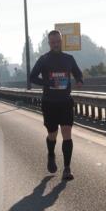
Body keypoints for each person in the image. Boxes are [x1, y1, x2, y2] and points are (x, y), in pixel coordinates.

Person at [30, 29, 84, 181]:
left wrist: (79, 81)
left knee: (67, 134)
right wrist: (47, 82)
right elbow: (32, 77)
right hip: (49, 103)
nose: (55, 44)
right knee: (52, 134)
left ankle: (67, 168)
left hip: (65, 102)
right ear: (49, 43)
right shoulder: (44, 59)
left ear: (61, 41)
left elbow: (78, 73)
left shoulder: (69, 59)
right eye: (52, 42)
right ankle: (51, 154)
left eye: (58, 41)